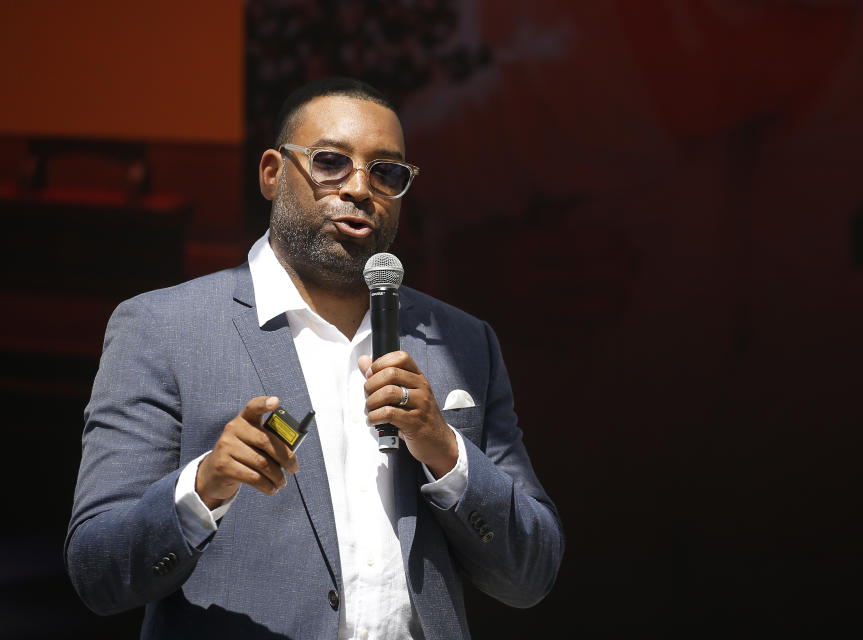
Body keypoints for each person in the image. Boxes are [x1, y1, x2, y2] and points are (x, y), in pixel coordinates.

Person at [65, 77, 564, 639]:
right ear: (272, 172)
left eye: (386, 172)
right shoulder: (163, 330)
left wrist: (446, 451)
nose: (359, 188)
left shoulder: (463, 342)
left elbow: (532, 573)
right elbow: (97, 572)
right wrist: (205, 486)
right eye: (330, 162)